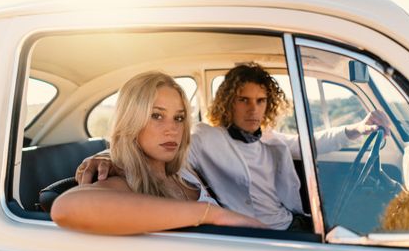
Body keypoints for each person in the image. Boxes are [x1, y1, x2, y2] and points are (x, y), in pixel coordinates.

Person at [75, 63, 390, 231]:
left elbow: (310, 143)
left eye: (260, 101)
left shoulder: (271, 139)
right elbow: (145, 146)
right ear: (229, 102)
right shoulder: (204, 138)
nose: (253, 109)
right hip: (258, 238)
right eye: (244, 100)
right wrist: (108, 157)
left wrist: (358, 129)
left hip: (292, 223)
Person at [51, 71, 265, 235]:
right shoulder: (127, 183)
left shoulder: (184, 172)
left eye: (179, 118)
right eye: (156, 115)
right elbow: (65, 208)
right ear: (132, 121)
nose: (172, 129)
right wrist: (212, 215)